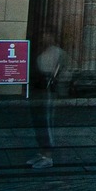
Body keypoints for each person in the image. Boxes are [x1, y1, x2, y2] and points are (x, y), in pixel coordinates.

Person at [28, 31, 68, 170]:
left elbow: (64, 71)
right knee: (38, 121)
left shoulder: (58, 52)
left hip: (48, 90)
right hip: (39, 89)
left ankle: (48, 155)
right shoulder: (42, 50)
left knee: (46, 122)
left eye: (46, 34)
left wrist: (60, 86)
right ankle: (42, 152)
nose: (43, 36)